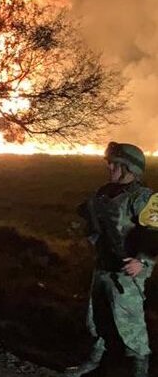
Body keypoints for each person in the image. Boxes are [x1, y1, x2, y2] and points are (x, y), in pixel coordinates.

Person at [66, 142, 157, 377]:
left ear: (128, 168)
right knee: (96, 319)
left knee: (131, 327)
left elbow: (154, 234)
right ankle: (94, 363)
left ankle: (139, 371)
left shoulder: (143, 198)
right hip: (104, 267)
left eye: (114, 165)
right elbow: (93, 218)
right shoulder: (105, 193)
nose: (109, 168)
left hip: (127, 274)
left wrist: (143, 261)